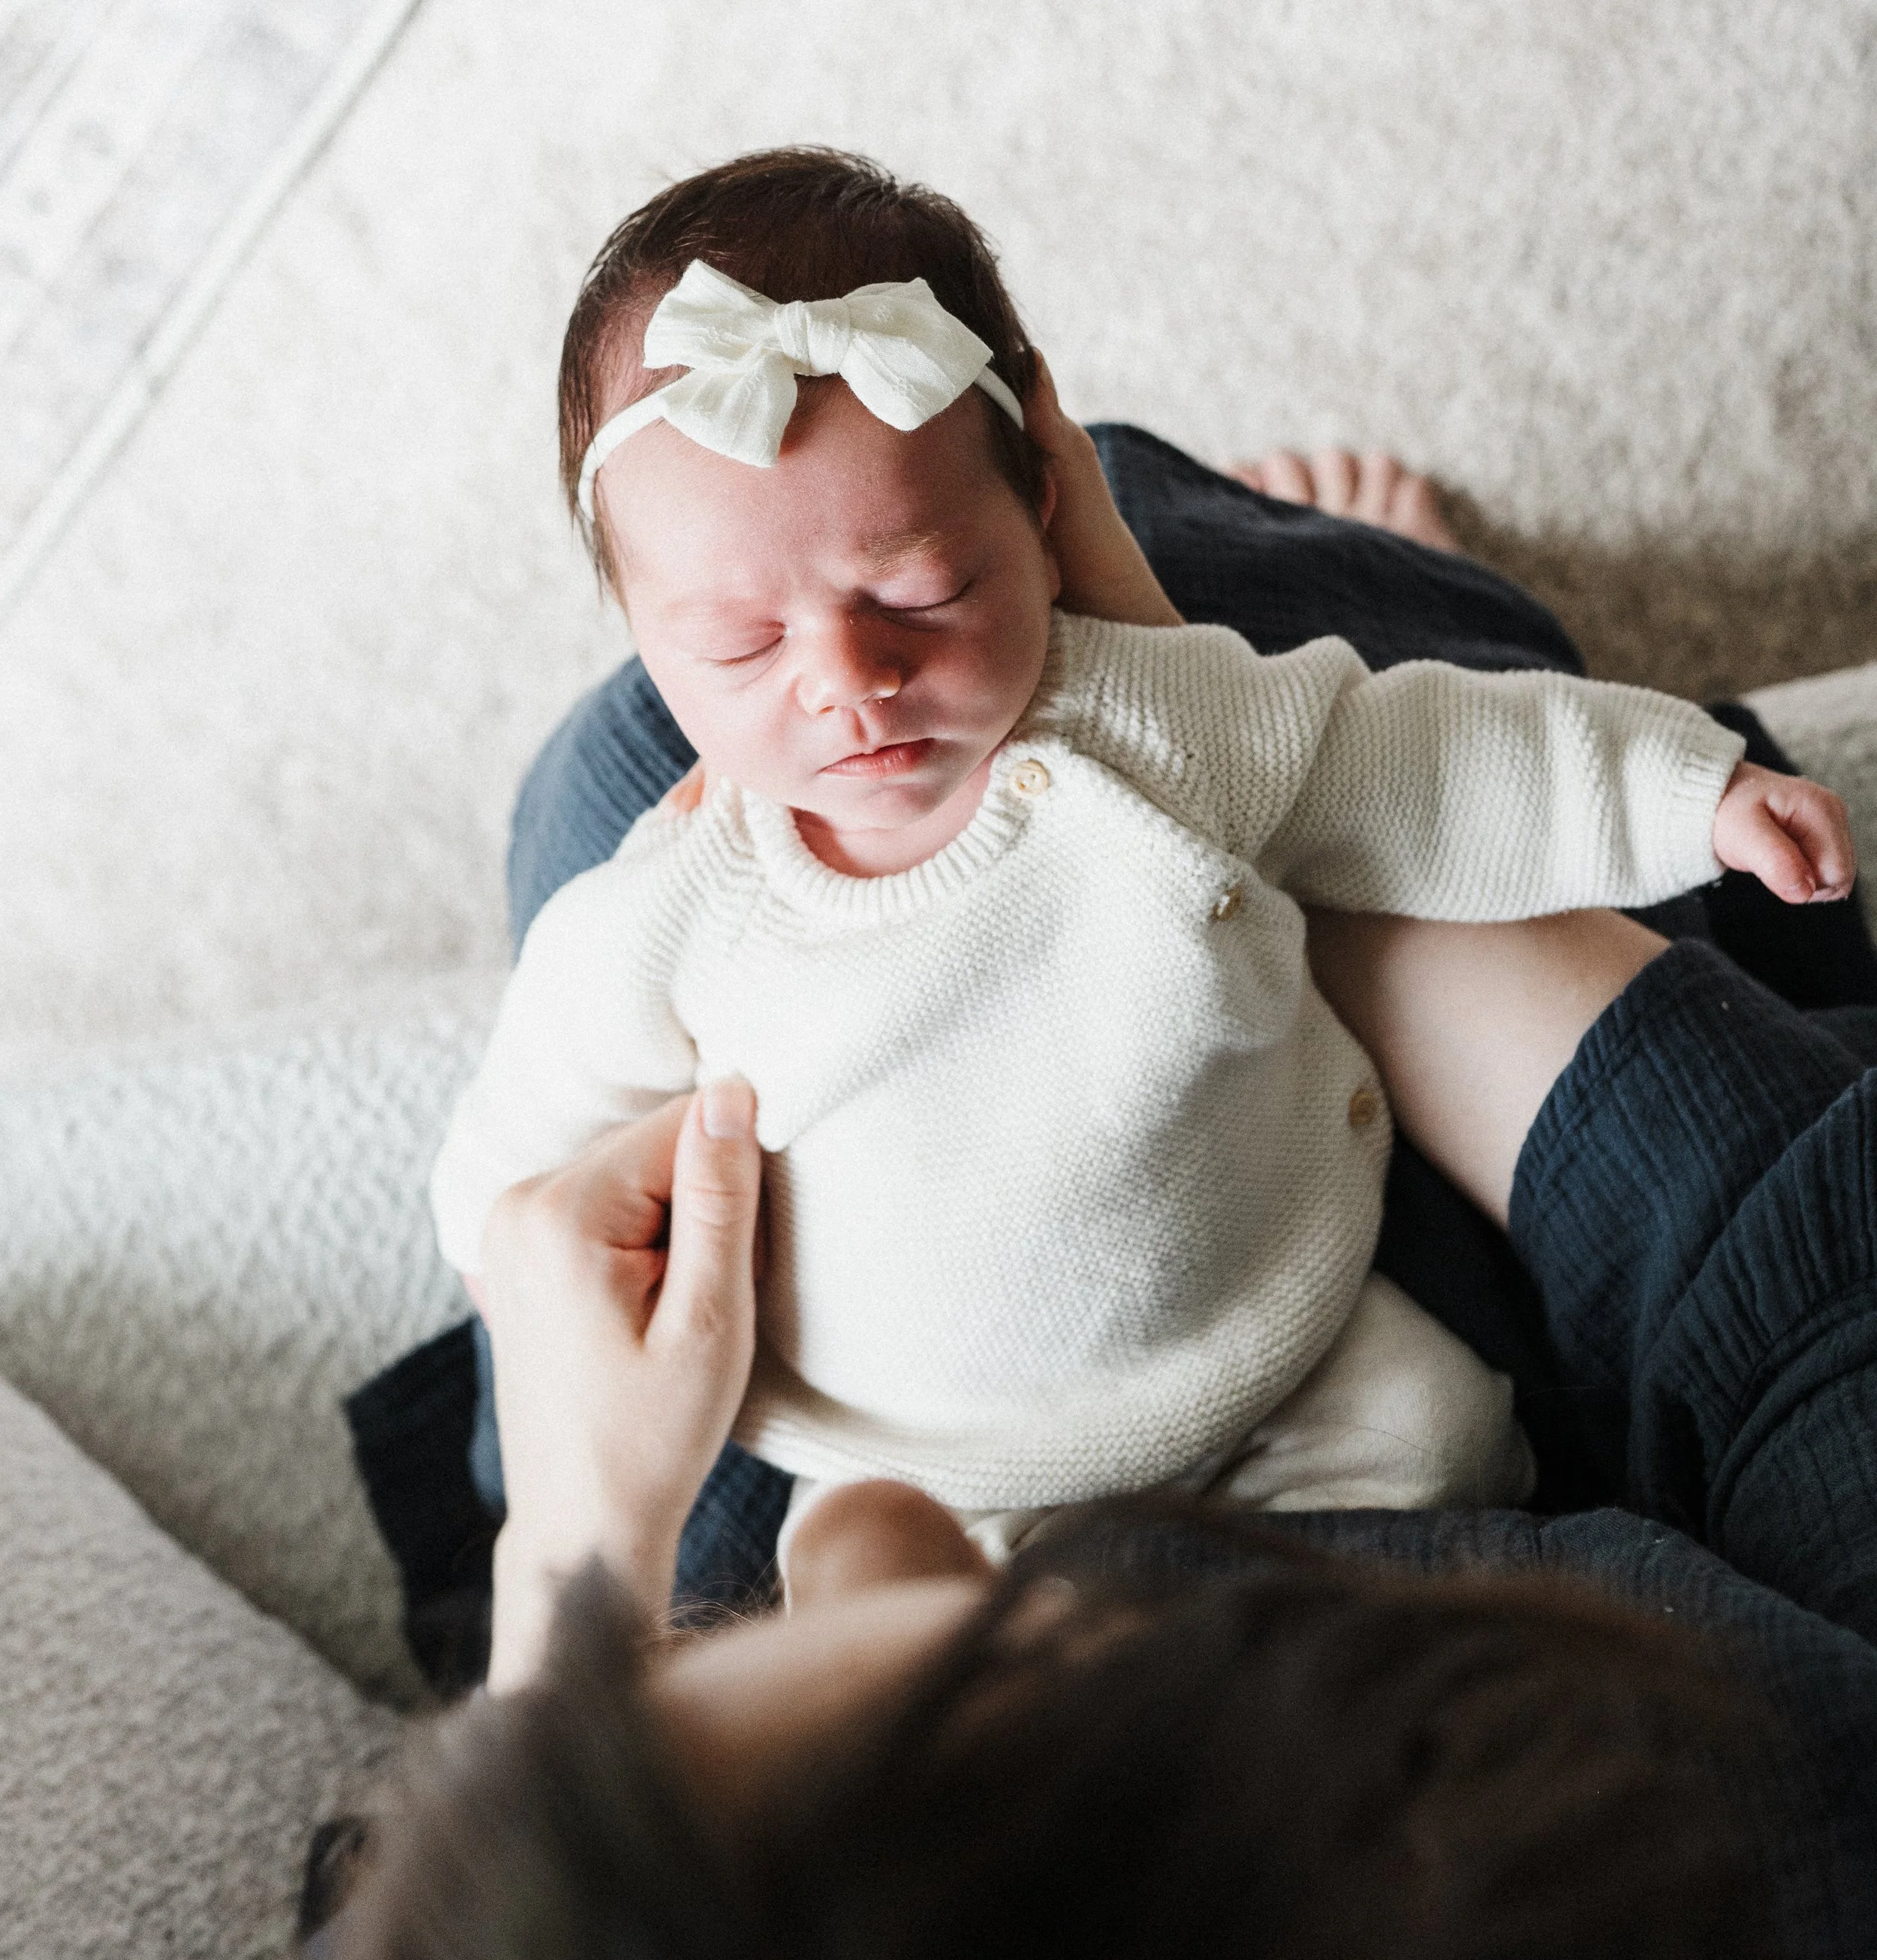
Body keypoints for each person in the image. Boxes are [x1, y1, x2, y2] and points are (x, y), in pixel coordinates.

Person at [425, 149, 1854, 1669]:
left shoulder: (1140, 726)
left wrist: (1682, 795)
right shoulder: (654, 918)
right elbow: (514, 1188)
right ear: (644, 635)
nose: (846, 683)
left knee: (1444, 1432)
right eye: (732, 645)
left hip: (1275, 1339)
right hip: (923, 1453)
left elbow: (1412, 764)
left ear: (1038, 512)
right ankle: (1393, 575)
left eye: (915, 592)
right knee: (848, 1548)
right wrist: (500, 1269)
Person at [270, 873, 1877, 1960]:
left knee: (700, 841)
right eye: (985, 1647)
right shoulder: (1754, 1854)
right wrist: (1285, 869)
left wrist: (577, 1563)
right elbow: (1804, 1279)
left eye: (713, 1652)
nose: (857, 1528)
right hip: (1508, 1492)